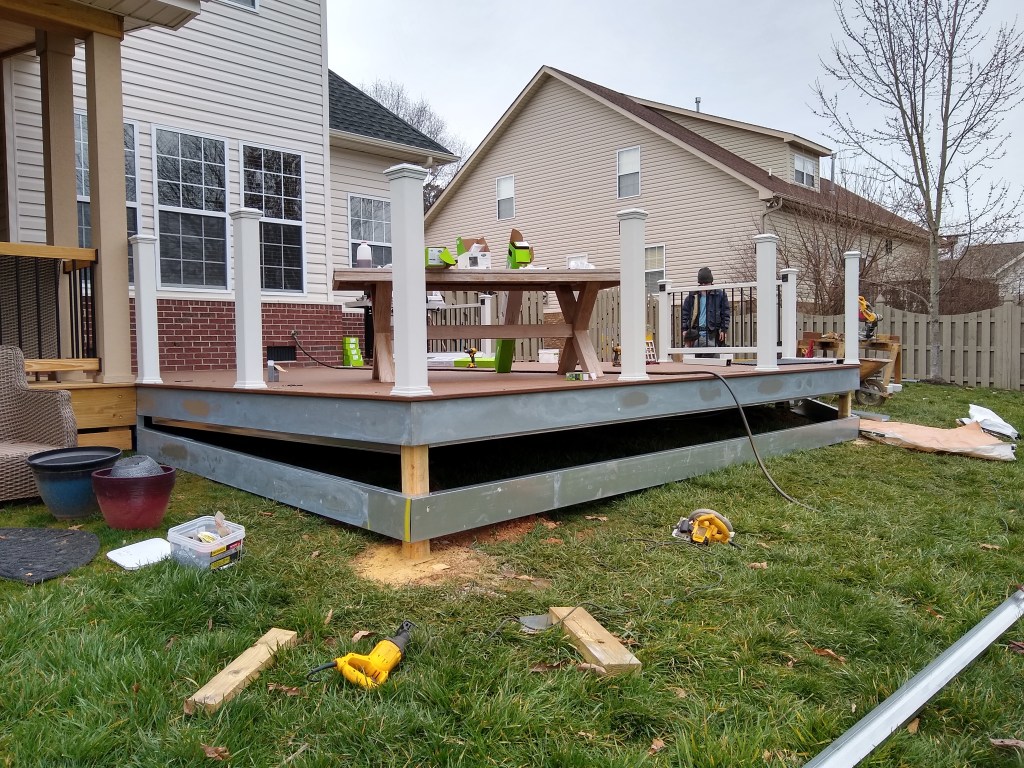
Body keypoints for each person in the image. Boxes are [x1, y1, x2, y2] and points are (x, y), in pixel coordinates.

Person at [680, 267, 730, 347]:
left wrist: (724, 330)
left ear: (711, 282)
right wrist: (684, 329)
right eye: (701, 283)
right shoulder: (692, 296)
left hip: (712, 332)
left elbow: (725, 314)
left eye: (705, 283)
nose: (703, 285)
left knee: (712, 353)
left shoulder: (720, 294)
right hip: (695, 332)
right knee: (695, 355)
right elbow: (685, 314)